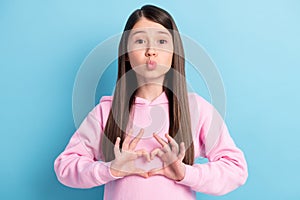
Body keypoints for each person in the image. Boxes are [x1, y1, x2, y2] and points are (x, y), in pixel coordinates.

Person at [54, 4, 248, 200]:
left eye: (162, 41)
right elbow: (65, 166)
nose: (151, 51)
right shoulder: (106, 112)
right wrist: (111, 169)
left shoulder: (195, 109)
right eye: (139, 41)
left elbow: (236, 168)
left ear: (174, 52)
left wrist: (184, 173)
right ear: (127, 54)